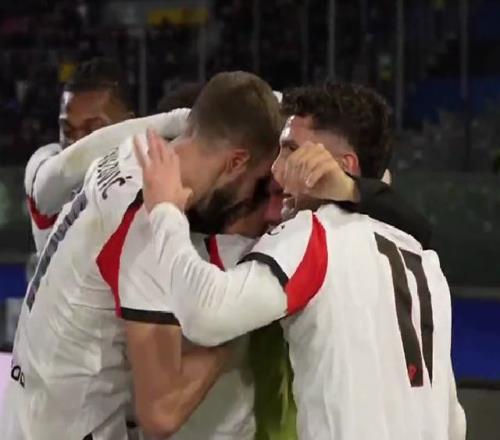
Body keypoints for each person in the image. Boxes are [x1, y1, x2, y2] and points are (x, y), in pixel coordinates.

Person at [135, 83, 466, 440]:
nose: (276, 169)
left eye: (291, 150)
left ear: (342, 166)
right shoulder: (423, 261)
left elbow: (206, 314)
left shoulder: (315, 236)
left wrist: (165, 211)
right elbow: (453, 420)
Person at [1, 71, 285, 440]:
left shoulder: (132, 151)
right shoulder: (148, 223)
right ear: (236, 162)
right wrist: (235, 323)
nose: (254, 195)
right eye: (259, 179)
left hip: (28, 409)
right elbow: (162, 412)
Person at [24, 57, 134, 253]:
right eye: (67, 129)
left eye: (94, 130)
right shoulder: (43, 164)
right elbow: (69, 167)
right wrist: (172, 121)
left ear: (129, 124)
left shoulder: (148, 178)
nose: (77, 142)